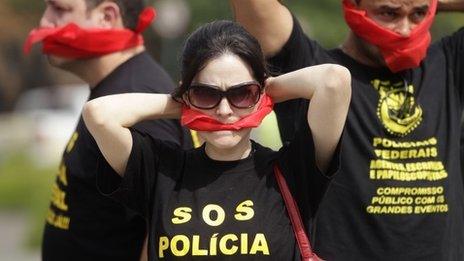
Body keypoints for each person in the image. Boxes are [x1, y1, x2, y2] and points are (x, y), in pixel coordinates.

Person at [82, 20, 351, 260]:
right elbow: (99, 115)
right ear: (185, 94)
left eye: (242, 94)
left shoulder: (293, 171)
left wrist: (267, 91)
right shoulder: (161, 170)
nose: (224, 111)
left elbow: (334, 81)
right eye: (206, 94)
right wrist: (180, 102)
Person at [231, 0, 464, 260]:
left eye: (419, 14)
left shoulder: (447, 63)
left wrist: (433, 3)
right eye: (389, 12)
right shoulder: (314, 72)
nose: (405, 29)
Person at [24, 0, 193, 260]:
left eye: (60, 9)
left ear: (106, 16)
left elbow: (170, 225)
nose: (45, 22)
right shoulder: (117, 90)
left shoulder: (138, 99)